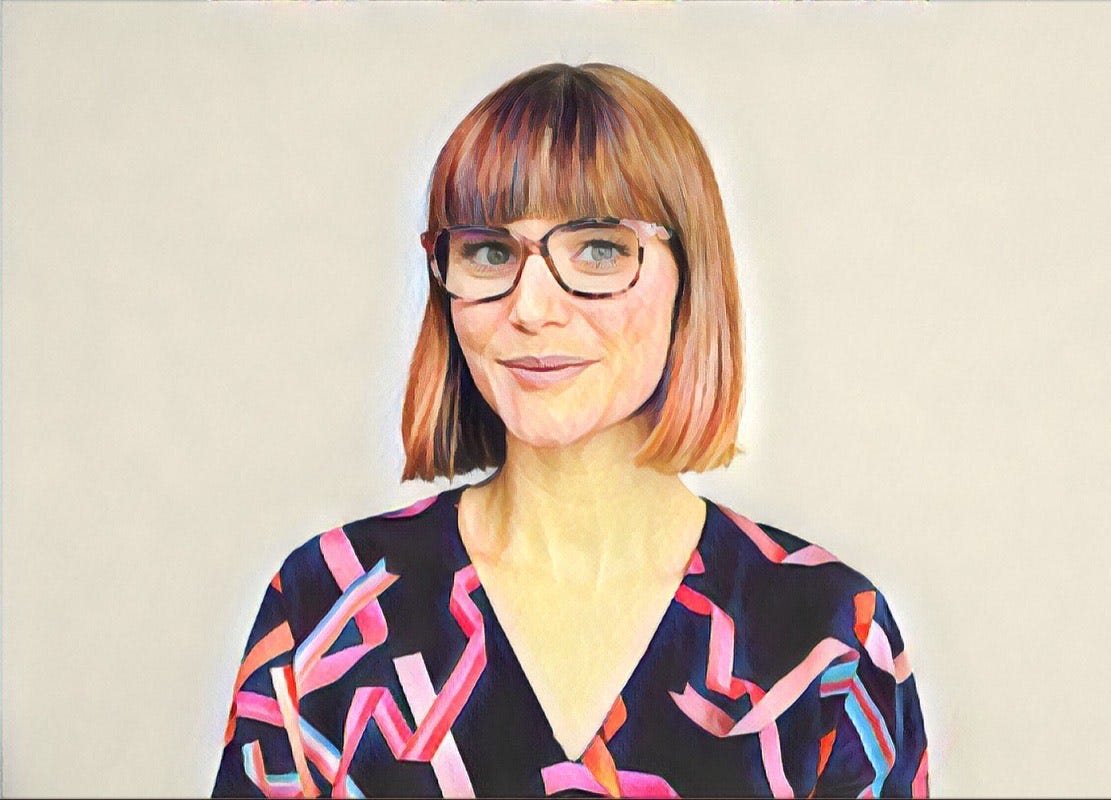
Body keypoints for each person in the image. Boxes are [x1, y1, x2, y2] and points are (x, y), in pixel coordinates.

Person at [212, 62, 929, 798]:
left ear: (691, 279)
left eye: (599, 249)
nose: (532, 309)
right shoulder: (326, 607)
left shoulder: (828, 639)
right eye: (490, 252)